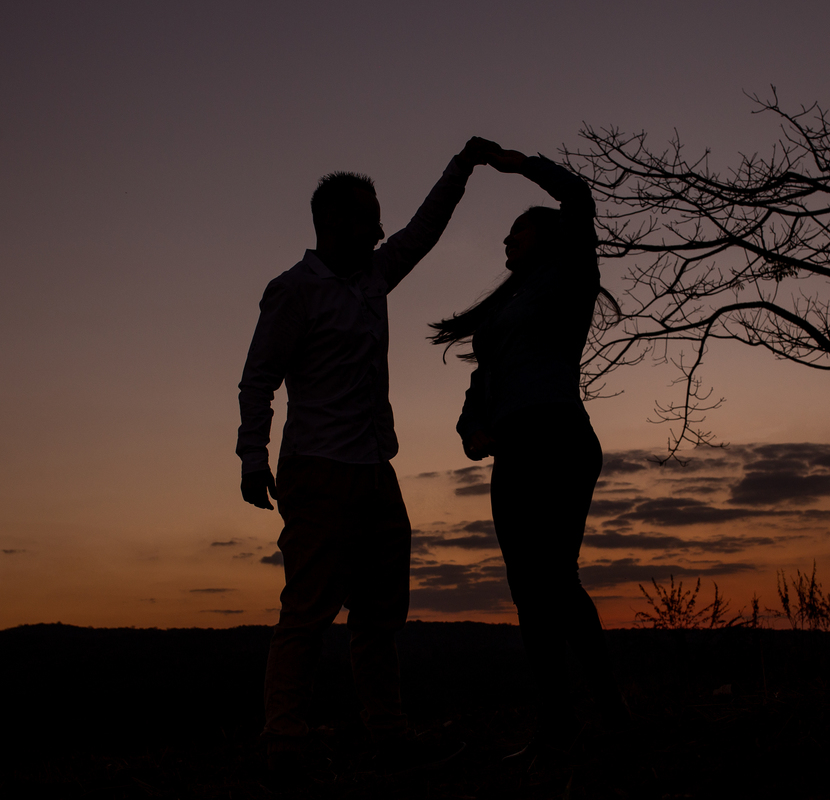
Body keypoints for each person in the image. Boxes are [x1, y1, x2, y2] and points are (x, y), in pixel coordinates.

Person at [237, 137, 498, 775]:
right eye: (367, 217)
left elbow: (423, 231)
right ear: (333, 223)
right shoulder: (293, 291)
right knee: (306, 610)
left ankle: (386, 733)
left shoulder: (374, 277)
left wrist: (463, 166)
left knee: (380, 615)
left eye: (379, 218)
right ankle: (285, 741)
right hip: (317, 471)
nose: (380, 228)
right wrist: (252, 458)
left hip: (375, 471)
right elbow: (258, 378)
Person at [430, 145, 627, 759]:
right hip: (513, 448)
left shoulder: (570, 276)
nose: (505, 241)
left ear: (546, 234)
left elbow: (581, 199)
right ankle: (558, 725)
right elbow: (480, 384)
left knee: (553, 578)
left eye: (516, 229)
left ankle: (613, 715)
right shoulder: (504, 310)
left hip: (559, 439)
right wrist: (469, 429)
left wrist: (516, 163)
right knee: (527, 587)